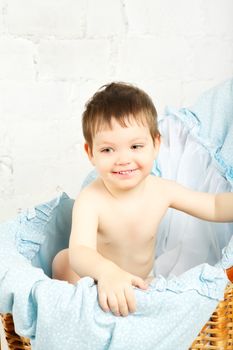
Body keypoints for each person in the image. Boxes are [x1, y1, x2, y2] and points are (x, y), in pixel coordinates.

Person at [52, 82, 233, 317]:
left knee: (158, 300)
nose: (123, 159)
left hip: (139, 278)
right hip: (92, 277)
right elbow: (81, 251)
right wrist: (106, 273)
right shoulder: (91, 200)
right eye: (108, 150)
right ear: (90, 153)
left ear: (156, 145)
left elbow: (214, 206)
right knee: (62, 262)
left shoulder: (161, 190)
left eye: (136, 146)